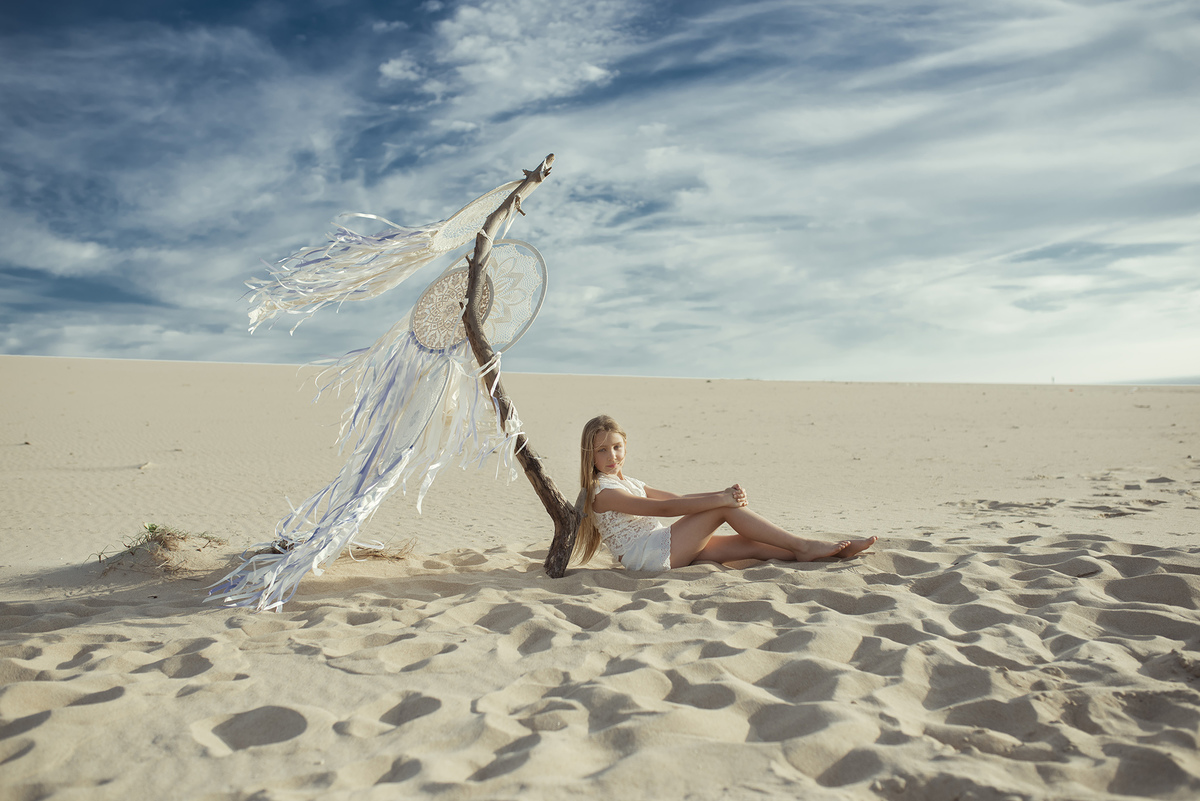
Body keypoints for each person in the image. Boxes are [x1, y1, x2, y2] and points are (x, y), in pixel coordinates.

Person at [572, 414, 877, 571]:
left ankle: (827, 554)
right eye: (602, 450)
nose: (612, 456)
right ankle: (805, 544)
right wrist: (721, 501)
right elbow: (665, 511)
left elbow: (676, 499)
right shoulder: (602, 492)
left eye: (617, 447)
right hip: (647, 557)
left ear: (626, 445)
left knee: (749, 545)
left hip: (665, 546)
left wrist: (720, 491)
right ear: (591, 455)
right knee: (723, 510)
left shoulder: (631, 481)